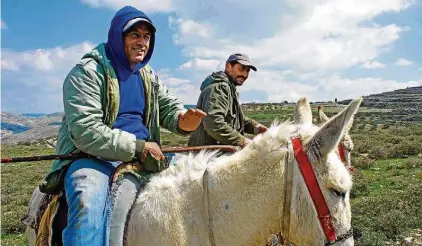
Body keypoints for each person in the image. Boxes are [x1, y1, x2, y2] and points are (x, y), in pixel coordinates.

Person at [38, 6, 206, 245]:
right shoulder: (87, 73)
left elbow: (169, 107)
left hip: (142, 153)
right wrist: (138, 147)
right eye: (134, 35)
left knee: (197, 177)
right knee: (89, 198)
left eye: (146, 37)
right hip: (92, 157)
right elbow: (86, 131)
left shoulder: (148, 75)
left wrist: (183, 121)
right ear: (118, 36)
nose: (142, 42)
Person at [188, 53, 267, 148]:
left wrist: (260, 129)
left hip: (218, 152)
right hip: (209, 155)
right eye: (241, 69)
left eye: (247, 71)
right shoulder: (219, 88)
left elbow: (239, 120)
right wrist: (244, 142)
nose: (245, 75)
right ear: (228, 66)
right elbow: (213, 124)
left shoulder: (230, 88)